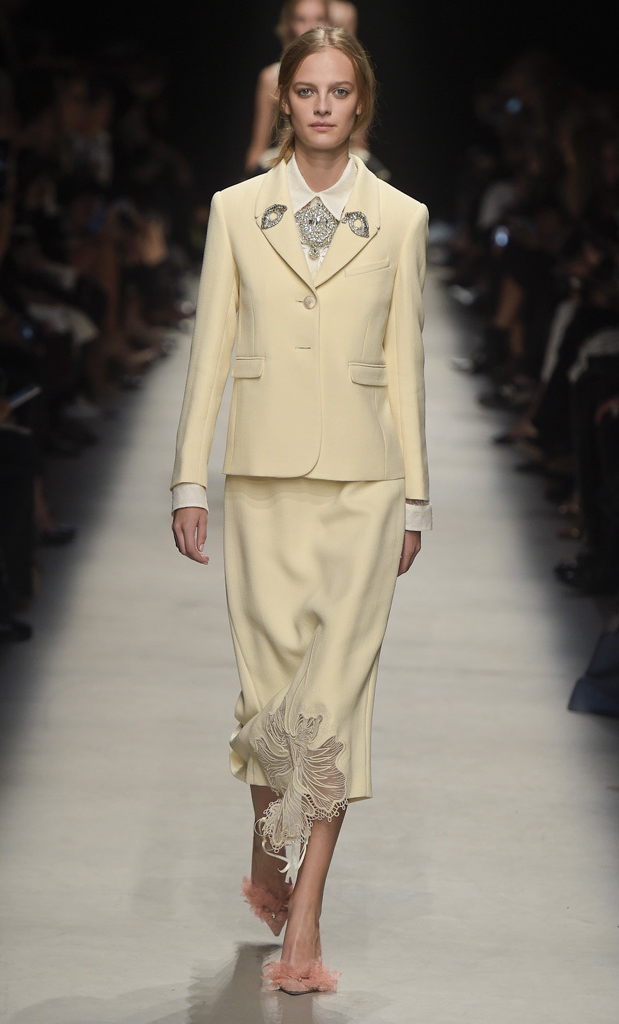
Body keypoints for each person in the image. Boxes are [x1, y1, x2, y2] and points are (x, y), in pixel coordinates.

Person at [172, 25, 431, 994]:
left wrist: (417, 496)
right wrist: (188, 478)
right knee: (268, 703)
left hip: (365, 485)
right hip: (264, 483)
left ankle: (307, 920)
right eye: (308, 91)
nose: (324, 106)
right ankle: (265, 844)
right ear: (284, 100)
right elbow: (210, 347)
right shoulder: (236, 211)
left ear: (361, 103)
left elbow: (405, 363)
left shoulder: (401, 219)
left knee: (334, 706)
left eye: (339, 91)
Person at [245, 0, 330, 175]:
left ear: (329, 23)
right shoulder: (272, 78)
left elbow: (359, 144)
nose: (311, 27)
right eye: (301, 19)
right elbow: (258, 147)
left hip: (336, 168)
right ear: (290, 24)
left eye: (319, 19)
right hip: (288, 170)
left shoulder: (346, 77)